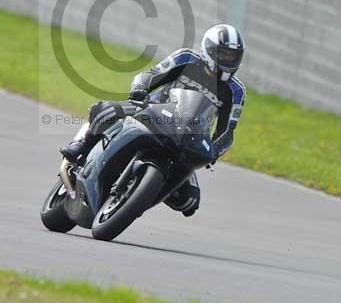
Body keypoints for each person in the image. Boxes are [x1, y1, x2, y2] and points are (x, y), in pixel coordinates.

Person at [60, 24, 247, 217]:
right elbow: (150, 74)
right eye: (223, 53)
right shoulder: (187, 58)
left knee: (189, 201)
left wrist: (214, 151)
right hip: (152, 112)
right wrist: (141, 88)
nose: (227, 59)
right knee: (104, 110)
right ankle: (81, 145)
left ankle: (138, 195)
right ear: (209, 49)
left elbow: (227, 132)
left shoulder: (236, 91)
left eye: (232, 55)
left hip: (188, 136)